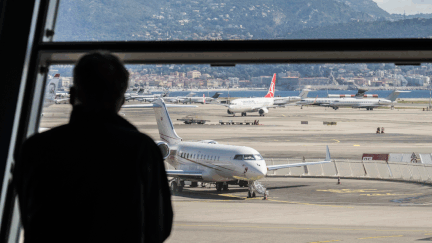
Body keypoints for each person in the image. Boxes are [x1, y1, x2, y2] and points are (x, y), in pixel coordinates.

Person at [14, 51, 173, 243]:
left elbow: (27, 216)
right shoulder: (143, 150)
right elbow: (159, 227)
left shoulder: (34, 148)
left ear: (72, 95)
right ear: (121, 101)